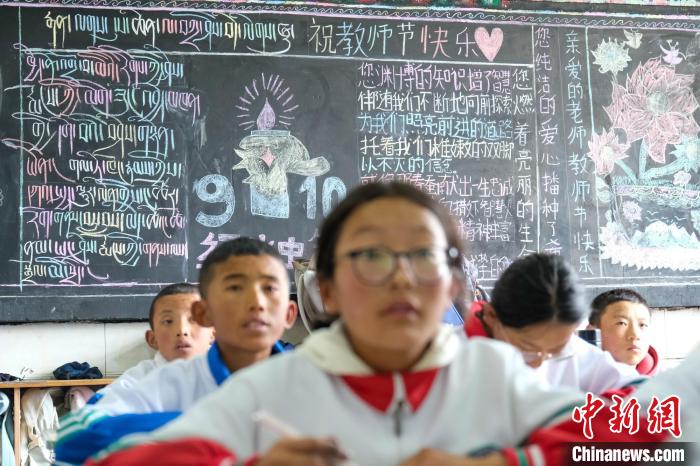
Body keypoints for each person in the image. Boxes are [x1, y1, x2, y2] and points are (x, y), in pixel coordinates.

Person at [86, 181, 667, 466]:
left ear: (454, 285)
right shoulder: (273, 390)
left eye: (425, 255)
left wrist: (513, 461)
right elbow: (98, 456)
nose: (401, 277)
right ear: (327, 290)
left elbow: (666, 436)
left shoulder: (494, 375)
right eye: (370, 255)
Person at [54, 237, 297, 465]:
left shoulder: (310, 380)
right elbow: (74, 438)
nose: (256, 303)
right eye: (235, 288)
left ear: (289, 313)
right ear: (205, 314)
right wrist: (207, 426)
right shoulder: (170, 381)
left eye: (269, 288)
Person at [464, 253, 643, 394]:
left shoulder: (575, 352)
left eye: (556, 351)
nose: (540, 363)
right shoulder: (456, 356)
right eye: (528, 350)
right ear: (491, 316)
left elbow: (641, 394)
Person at [96, 282, 214, 401]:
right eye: (168, 321)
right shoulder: (139, 379)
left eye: (194, 319)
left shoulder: (223, 375)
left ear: (213, 334)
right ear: (152, 339)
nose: (182, 331)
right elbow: (99, 405)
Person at [589, 289, 659, 375]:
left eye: (642, 325)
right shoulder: (578, 377)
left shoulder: (665, 380)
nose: (635, 335)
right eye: (621, 323)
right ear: (592, 331)